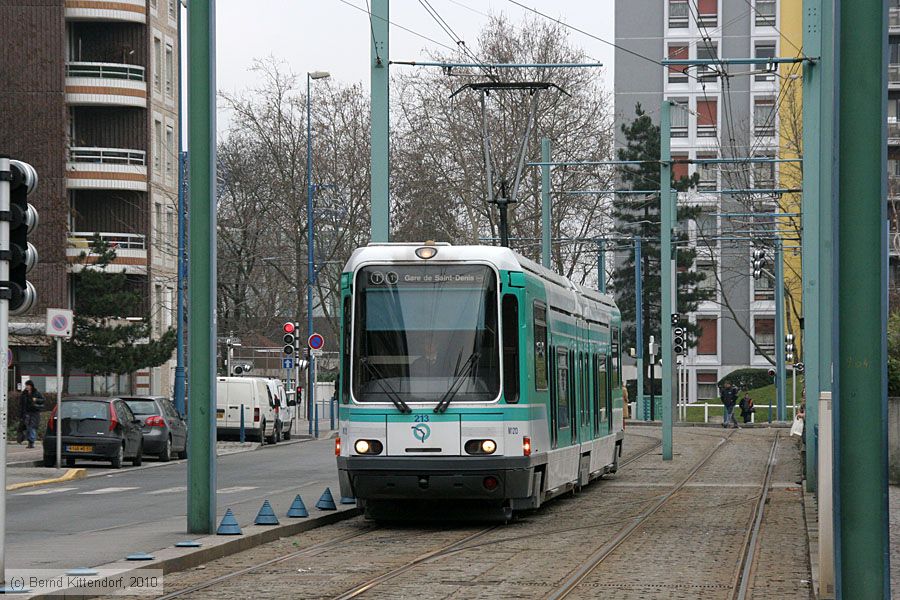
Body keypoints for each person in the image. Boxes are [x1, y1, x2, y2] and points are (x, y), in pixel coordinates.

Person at [21, 380, 45, 449]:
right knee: (28, 427)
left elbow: (43, 400)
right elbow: (22, 404)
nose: (26, 387)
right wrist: (21, 414)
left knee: (32, 427)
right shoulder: (24, 394)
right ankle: (30, 442)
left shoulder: (36, 393)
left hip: (34, 412)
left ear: (31, 386)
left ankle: (31, 442)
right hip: (27, 413)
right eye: (26, 385)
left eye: (28, 385)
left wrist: (36, 400)